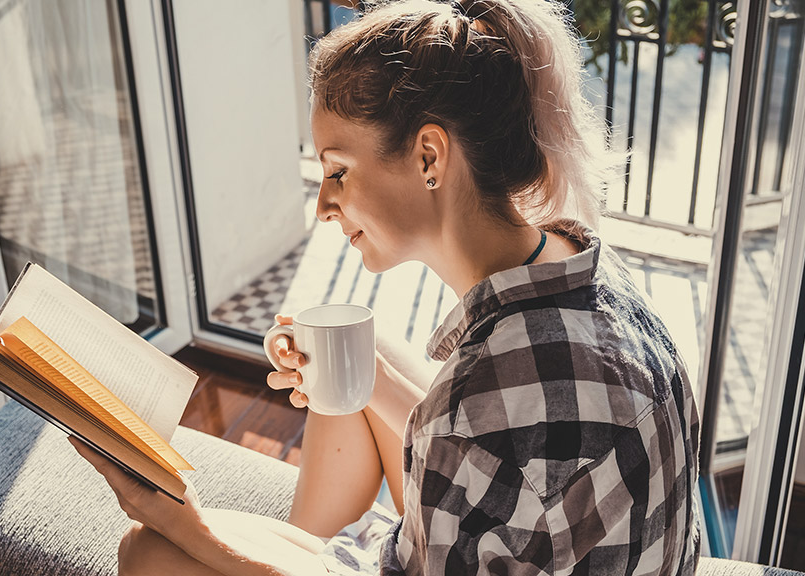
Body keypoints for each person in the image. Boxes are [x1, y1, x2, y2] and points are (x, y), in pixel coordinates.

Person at [70, 0, 702, 574]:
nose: (323, 204)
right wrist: (352, 372)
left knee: (145, 552)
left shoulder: (477, 405)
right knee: (361, 354)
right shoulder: (585, 264)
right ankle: (301, 544)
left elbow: (477, 433)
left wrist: (187, 524)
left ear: (430, 157)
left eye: (338, 171)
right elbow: (489, 451)